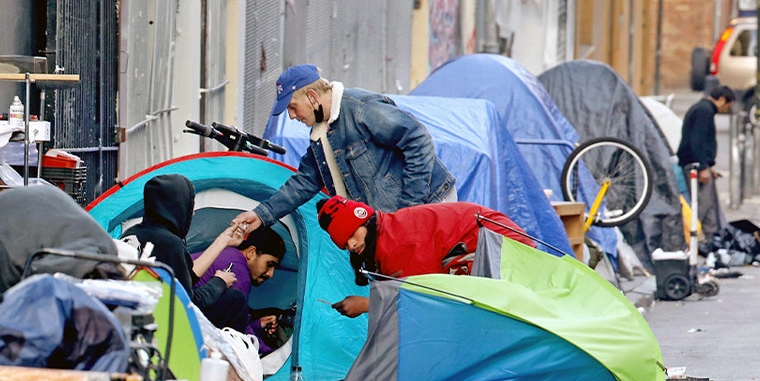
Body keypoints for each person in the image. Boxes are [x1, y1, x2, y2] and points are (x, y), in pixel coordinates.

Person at [231, 64, 457, 235]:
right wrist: (261, 215)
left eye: (292, 107)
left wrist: (410, 210)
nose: (291, 116)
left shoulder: (360, 109)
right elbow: (305, 182)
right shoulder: (321, 134)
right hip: (391, 222)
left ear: (312, 97)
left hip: (429, 204)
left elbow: (418, 140)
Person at [316, 195, 536, 318]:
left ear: (364, 221)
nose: (351, 245)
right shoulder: (385, 231)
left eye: (352, 235)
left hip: (503, 250)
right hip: (493, 245)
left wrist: (366, 305)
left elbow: (425, 296)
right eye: (344, 243)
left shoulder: (397, 242)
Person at [120, 173, 235, 308]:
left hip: (128, 312)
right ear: (177, 207)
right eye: (190, 206)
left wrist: (223, 240)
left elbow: (184, 278)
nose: (192, 213)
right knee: (234, 299)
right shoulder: (170, 245)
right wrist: (219, 282)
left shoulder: (131, 233)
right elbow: (188, 304)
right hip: (161, 320)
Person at [191, 227, 286, 351]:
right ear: (251, 252)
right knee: (236, 298)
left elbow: (234, 320)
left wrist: (257, 325)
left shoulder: (228, 255)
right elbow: (239, 335)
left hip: (183, 314)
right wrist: (270, 354)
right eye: (270, 264)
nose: (270, 274)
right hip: (188, 323)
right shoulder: (237, 269)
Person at [677, 85, 735, 239]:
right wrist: (703, 166)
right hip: (695, 164)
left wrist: (709, 166)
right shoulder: (704, 111)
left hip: (698, 163)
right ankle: (689, 236)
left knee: (708, 204)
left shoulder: (703, 109)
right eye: (727, 105)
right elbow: (698, 141)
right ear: (721, 99)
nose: (726, 109)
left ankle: (713, 238)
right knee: (701, 204)